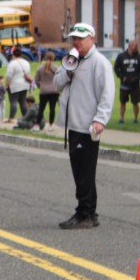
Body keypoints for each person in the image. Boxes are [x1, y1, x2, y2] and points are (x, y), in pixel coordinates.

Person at [53, 23, 115, 230]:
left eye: (80, 38)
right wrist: (67, 71)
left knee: (85, 173)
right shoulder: (72, 60)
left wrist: (100, 119)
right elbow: (57, 84)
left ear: (91, 38)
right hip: (74, 125)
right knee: (79, 171)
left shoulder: (99, 63)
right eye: (74, 38)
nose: (76, 42)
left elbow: (107, 93)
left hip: (88, 126)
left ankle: (84, 212)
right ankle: (89, 212)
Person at [113, 40, 140, 124]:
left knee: (135, 102)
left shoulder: (139, 57)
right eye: (135, 46)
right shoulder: (121, 56)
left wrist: (136, 78)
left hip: (135, 85)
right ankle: (121, 119)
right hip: (124, 84)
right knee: (122, 102)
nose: (137, 48)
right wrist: (121, 76)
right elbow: (116, 68)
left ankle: (136, 119)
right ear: (130, 46)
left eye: (137, 46)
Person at [34, 51, 60, 131]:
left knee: (41, 108)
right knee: (52, 108)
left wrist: (41, 86)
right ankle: (50, 126)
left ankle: (37, 125)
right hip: (54, 90)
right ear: (53, 58)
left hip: (44, 90)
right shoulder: (56, 68)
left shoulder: (40, 68)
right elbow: (60, 79)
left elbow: (36, 80)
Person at [4, 48, 32, 122]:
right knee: (23, 102)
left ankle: (11, 118)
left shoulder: (12, 63)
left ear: (13, 55)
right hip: (24, 85)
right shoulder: (26, 62)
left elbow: (9, 75)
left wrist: (7, 84)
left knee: (13, 102)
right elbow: (28, 73)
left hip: (14, 85)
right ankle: (26, 118)